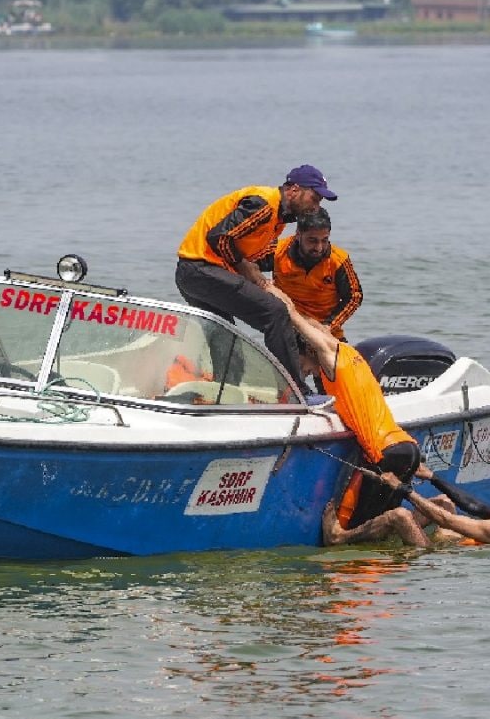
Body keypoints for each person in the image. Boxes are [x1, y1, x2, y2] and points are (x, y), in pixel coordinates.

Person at [266, 284, 424, 546]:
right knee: (379, 531)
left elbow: (294, 316)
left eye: (301, 363)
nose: (303, 371)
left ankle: (342, 538)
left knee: (357, 531)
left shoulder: (331, 363)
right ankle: (432, 529)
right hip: (406, 447)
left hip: (385, 454)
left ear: (310, 351)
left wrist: (262, 284)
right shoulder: (350, 355)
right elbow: (310, 322)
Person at [175, 165, 338, 392]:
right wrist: (245, 267)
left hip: (198, 275)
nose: (316, 205)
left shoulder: (278, 221)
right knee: (275, 313)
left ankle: (224, 393)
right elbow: (219, 238)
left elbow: (260, 260)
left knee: (226, 337)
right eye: (315, 196)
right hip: (201, 270)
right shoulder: (262, 204)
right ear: (293, 190)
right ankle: (296, 391)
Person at [381, 463, 490, 547]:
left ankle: (353, 538)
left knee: (400, 516)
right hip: (448, 542)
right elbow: (475, 507)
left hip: (434, 553)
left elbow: (446, 520)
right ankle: (384, 532)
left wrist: (403, 489)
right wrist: (433, 477)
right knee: (443, 501)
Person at [257, 207, 363, 341]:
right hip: (287, 327)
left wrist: (328, 326)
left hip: (324, 332)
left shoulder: (338, 260)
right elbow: (246, 263)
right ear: (298, 234)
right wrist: (264, 287)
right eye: (312, 240)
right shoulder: (278, 250)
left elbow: (355, 296)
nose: (319, 248)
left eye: (324, 240)